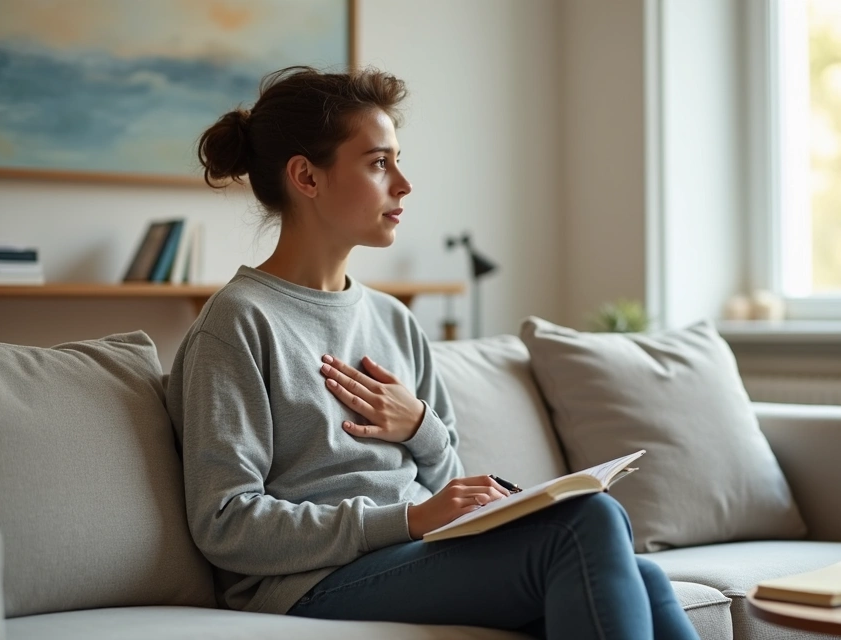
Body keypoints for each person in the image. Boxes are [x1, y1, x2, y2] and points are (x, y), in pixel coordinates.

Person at [166, 65, 699, 640]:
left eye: (398, 160)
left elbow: (450, 483)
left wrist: (421, 427)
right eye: (378, 163)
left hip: (413, 554)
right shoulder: (238, 323)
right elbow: (225, 523)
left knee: (645, 577)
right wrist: (407, 519)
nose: (403, 184)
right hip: (309, 583)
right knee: (584, 523)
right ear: (307, 177)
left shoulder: (393, 318)